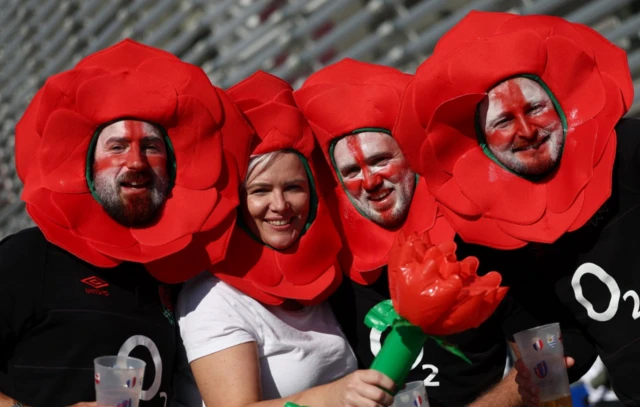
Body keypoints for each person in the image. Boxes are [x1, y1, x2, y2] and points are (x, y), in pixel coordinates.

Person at [392, 10, 635, 406]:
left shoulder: (631, 151)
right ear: (481, 141)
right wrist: (546, 367)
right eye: (503, 120)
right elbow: (558, 335)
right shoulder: (494, 234)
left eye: (535, 109)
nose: (526, 131)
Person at [0, 39, 254, 407]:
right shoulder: (29, 258)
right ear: (86, 163)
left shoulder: (178, 271)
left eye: (151, 147)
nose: (136, 162)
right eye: (117, 147)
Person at [294, 59, 514, 407]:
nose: (370, 182)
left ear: (410, 156)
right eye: (352, 170)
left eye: (380, 160)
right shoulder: (331, 273)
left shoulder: (476, 236)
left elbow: (535, 355)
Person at [176, 71, 395, 407]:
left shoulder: (327, 276)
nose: (279, 206)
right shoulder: (213, 298)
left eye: (293, 187)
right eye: (260, 191)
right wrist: (332, 397)